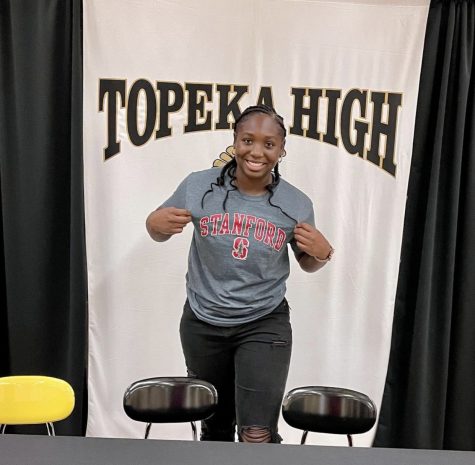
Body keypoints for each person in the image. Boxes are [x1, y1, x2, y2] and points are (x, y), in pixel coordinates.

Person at [146, 104, 333, 443]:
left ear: (281, 150)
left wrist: (322, 254)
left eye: (269, 144)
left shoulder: (296, 203)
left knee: (257, 432)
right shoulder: (197, 186)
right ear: (235, 140)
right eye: (248, 140)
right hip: (203, 321)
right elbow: (159, 229)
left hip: (264, 321)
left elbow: (308, 261)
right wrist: (153, 225)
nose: (257, 151)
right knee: (214, 426)